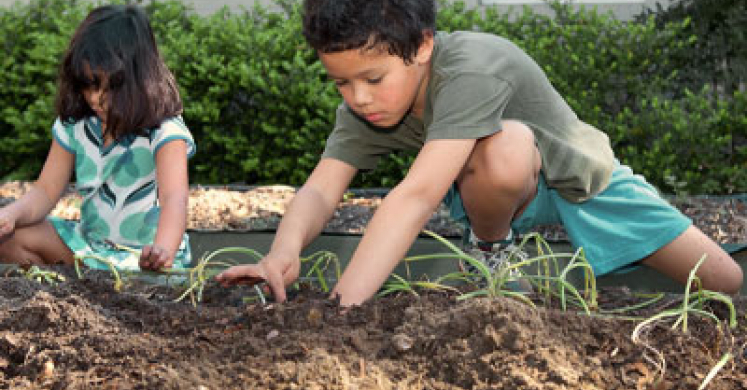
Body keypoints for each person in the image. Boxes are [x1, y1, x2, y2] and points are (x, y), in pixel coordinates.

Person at [217, 0, 743, 304]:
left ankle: (503, 251)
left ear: (422, 47)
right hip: (489, 190)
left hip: (580, 181)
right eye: (341, 83)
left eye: (372, 78)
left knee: (725, 283)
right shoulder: (364, 106)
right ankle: (491, 253)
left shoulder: (471, 67)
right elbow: (320, 188)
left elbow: (416, 195)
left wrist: (341, 308)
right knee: (499, 155)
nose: (358, 98)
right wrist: (281, 255)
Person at [0, 5, 195, 271]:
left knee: (140, 281)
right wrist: (10, 214)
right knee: (11, 240)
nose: (94, 98)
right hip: (89, 247)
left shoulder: (164, 130)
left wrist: (163, 250)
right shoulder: (75, 125)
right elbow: (45, 191)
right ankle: (67, 293)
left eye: (108, 87)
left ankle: (111, 289)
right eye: (88, 86)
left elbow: (175, 197)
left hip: (141, 257)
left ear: (139, 79)